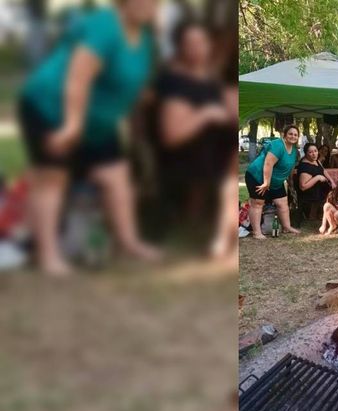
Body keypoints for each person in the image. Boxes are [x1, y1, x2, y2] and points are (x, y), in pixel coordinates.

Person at [17, 0, 162, 275]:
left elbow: (128, 82)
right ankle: (47, 256)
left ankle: (129, 243)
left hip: (97, 122)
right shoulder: (105, 26)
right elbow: (78, 76)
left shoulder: (143, 35)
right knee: (51, 178)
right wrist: (72, 125)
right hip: (52, 108)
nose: (152, 5)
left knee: (117, 176)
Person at [155, 20, 238, 260]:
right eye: (190, 43)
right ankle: (220, 238)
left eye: (202, 42)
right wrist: (205, 115)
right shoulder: (175, 82)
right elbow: (172, 135)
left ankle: (222, 238)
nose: (197, 48)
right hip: (190, 154)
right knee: (229, 168)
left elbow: (231, 113)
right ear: (180, 47)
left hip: (217, 151)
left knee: (231, 164)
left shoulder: (215, 82)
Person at [245, 124, 302, 239]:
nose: (293, 136)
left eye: (295, 135)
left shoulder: (294, 150)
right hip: (257, 176)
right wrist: (266, 183)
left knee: (282, 203)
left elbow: (289, 167)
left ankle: (287, 227)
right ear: (284, 135)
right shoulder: (277, 145)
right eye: (290, 134)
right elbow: (268, 163)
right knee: (258, 203)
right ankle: (256, 232)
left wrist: (290, 182)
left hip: (276, 181)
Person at [297, 143, 335, 219]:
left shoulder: (316, 160)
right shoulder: (305, 166)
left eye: (315, 151)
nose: (314, 154)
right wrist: (317, 177)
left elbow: (323, 170)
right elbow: (303, 187)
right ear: (306, 153)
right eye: (310, 152)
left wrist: (332, 181)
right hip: (311, 195)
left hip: (320, 190)